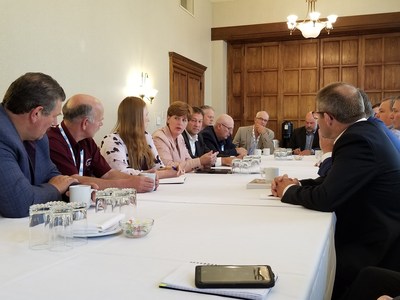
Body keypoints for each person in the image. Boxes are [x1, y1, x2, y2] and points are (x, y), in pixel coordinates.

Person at [271, 82, 400, 300]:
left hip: (377, 243)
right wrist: (298, 184)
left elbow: (326, 199)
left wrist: (288, 191)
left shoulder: (357, 140)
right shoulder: (369, 129)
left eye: (317, 115)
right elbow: (335, 181)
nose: (317, 121)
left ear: (329, 118)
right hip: (382, 227)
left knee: (301, 262)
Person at [0, 72, 78, 218]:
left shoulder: (38, 136)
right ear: (36, 113)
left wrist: (75, 190)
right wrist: (55, 188)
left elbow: (50, 174)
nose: (55, 123)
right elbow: (19, 203)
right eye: (54, 116)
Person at [47, 94, 155, 193]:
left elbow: (108, 173)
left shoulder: (87, 141)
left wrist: (138, 179)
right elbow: (74, 180)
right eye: (100, 120)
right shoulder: (53, 141)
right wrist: (128, 184)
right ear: (85, 123)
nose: (101, 124)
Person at [100, 96, 179, 179]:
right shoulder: (111, 141)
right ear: (136, 118)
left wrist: (170, 168)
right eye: (146, 115)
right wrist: (161, 173)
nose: (148, 119)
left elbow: (158, 166)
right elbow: (120, 173)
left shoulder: (146, 137)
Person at [152, 101, 218, 172]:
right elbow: (168, 167)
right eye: (176, 118)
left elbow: (188, 160)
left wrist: (205, 164)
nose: (180, 123)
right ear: (168, 119)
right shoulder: (159, 137)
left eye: (184, 120)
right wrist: (200, 161)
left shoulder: (180, 137)